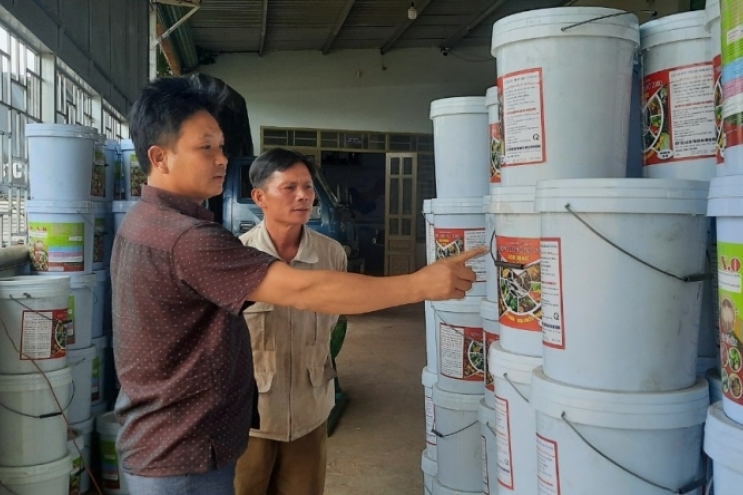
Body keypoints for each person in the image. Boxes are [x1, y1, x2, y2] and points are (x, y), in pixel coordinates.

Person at [111, 74, 483, 495]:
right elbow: (306, 290)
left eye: (221, 147)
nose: (221, 160)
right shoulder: (189, 239)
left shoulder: (144, 223)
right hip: (184, 452)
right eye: (206, 148)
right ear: (160, 157)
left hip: (184, 440)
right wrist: (420, 285)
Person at [233, 149, 344, 495]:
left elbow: (332, 324)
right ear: (259, 197)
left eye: (308, 187)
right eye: (289, 187)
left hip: (311, 410)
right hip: (252, 417)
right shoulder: (237, 257)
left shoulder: (331, 255)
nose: (303, 196)